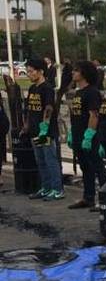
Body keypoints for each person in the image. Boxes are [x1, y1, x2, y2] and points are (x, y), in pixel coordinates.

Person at [66, 60, 106, 210]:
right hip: (78, 134)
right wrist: (72, 133)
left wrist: (89, 135)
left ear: (84, 73)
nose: (73, 72)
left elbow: (94, 115)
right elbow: (75, 114)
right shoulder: (78, 92)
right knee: (85, 167)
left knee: (97, 166)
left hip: (89, 137)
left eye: (76, 70)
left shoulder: (92, 92)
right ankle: (88, 197)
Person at [22, 58, 63, 201]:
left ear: (40, 72)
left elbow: (49, 108)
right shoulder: (33, 88)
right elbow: (29, 109)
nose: (29, 74)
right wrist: (26, 126)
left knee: (50, 159)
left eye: (31, 71)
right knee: (40, 160)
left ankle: (57, 189)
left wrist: (44, 127)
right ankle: (46, 187)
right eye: (27, 71)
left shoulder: (47, 88)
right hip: (34, 130)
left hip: (46, 132)